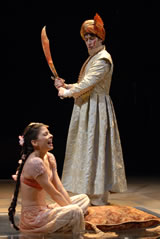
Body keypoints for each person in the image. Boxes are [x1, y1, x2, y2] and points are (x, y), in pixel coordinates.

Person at [54, 13, 127, 206]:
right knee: (85, 149)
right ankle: (83, 193)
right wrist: (65, 85)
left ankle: (96, 195)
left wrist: (65, 92)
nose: (88, 42)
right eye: (86, 39)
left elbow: (87, 84)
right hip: (87, 107)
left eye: (92, 38)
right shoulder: (93, 58)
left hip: (96, 109)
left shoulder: (103, 59)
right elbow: (82, 85)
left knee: (95, 149)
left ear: (100, 38)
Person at [8, 122, 90, 239]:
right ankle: (74, 230)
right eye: (45, 134)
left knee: (83, 198)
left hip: (45, 209)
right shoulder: (35, 163)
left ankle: (69, 221)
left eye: (49, 133)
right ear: (35, 142)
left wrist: (69, 207)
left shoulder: (49, 157)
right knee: (76, 211)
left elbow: (59, 187)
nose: (51, 136)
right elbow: (54, 193)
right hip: (34, 218)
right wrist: (71, 210)